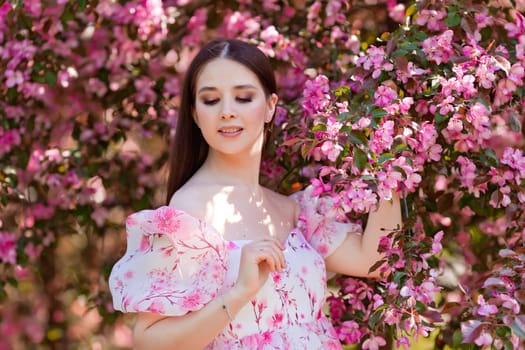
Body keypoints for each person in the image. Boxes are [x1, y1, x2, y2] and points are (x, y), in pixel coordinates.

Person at [109, 38, 402, 349]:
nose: (226, 112)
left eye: (243, 98)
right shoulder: (190, 212)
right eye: (210, 101)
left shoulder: (291, 210)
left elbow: (378, 258)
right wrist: (238, 293)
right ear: (195, 115)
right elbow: (148, 341)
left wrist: (388, 157)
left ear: (270, 106)